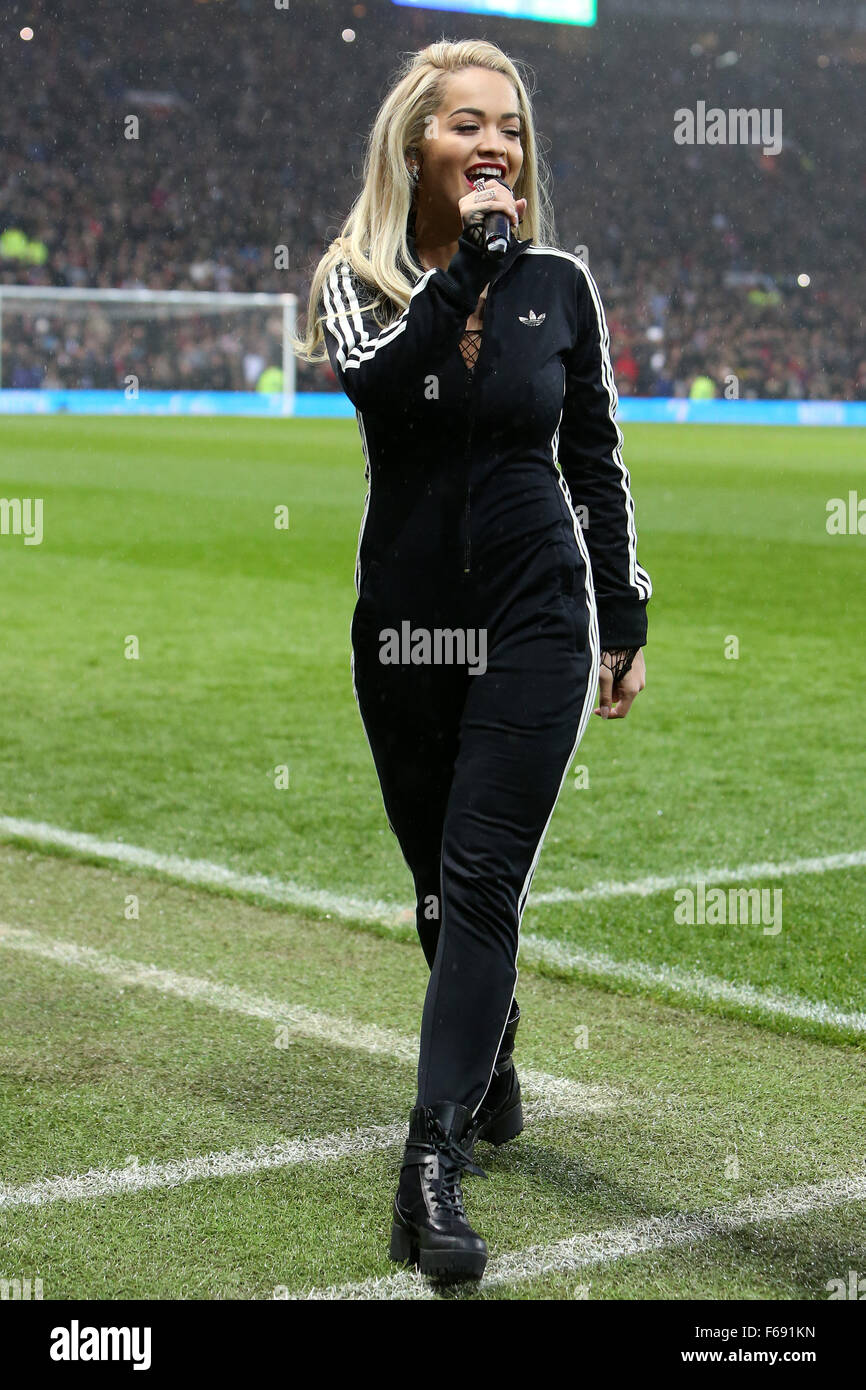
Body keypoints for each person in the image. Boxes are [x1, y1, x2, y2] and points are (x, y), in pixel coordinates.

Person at [293, 39, 651, 1284]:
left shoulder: (562, 280)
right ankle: (489, 1053)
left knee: (480, 875)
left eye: (507, 127)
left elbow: (594, 458)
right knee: (438, 892)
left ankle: (426, 1166)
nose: (492, 144)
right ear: (415, 147)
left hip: (535, 613)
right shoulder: (357, 277)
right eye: (463, 125)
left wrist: (624, 613)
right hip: (403, 624)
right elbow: (393, 399)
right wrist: (466, 276)